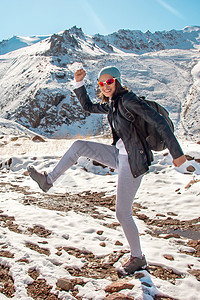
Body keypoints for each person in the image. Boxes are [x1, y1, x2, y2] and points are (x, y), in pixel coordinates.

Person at [27, 66, 186, 274]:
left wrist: (177, 153)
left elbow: (159, 121)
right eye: (101, 83)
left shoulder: (128, 100)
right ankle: (48, 181)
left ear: (117, 81)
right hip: (119, 156)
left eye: (109, 82)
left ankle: (138, 258)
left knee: (122, 213)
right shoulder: (113, 103)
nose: (105, 86)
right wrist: (79, 82)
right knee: (79, 146)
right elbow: (88, 107)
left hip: (132, 161)